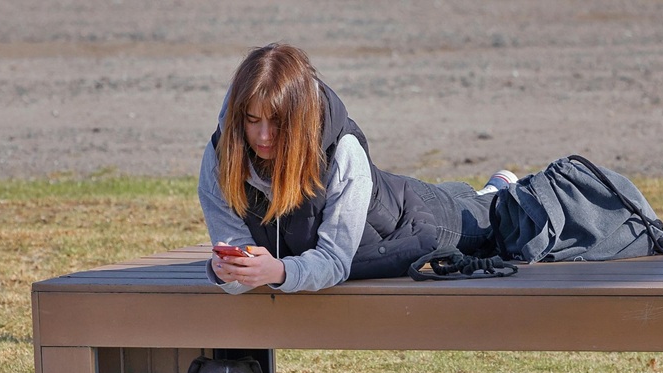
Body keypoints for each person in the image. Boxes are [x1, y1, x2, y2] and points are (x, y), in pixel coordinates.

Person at [198, 43, 517, 294]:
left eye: (278, 123)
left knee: (495, 218)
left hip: (408, 224)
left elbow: (336, 261)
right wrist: (231, 271)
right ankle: (482, 190)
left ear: (301, 120)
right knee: (459, 196)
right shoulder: (221, 157)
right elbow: (236, 259)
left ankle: (496, 192)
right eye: (253, 121)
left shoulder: (343, 151)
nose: (264, 136)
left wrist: (281, 272)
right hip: (383, 203)